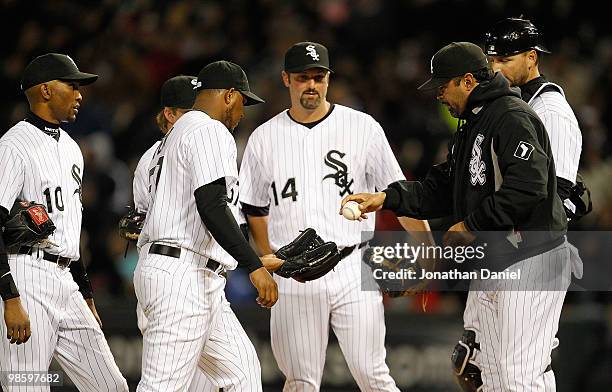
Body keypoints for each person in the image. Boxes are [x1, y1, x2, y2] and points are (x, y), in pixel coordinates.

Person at [342, 42, 581, 392]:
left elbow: (529, 187)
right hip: (500, 258)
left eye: (443, 86)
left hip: (533, 258)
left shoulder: (510, 116)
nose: (439, 95)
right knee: (492, 373)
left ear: (468, 81)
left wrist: (471, 224)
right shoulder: (474, 121)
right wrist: (386, 197)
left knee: (517, 375)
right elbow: (443, 186)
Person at [239, 41, 424, 391]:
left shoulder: (362, 127)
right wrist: (268, 265)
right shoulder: (264, 138)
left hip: (352, 265)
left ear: (328, 78)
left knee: (372, 374)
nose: (311, 85)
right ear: (285, 79)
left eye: (318, 77)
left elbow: (400, 195)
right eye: (302, 77)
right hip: (294, 274)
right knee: (301, 382)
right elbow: (254, 208)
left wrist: (427, 250)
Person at [133, 60, 280, 392]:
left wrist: (255, 257)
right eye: (243, 100)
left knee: (242, 374)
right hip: (181, 275)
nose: (244, 110)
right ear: (229, 95)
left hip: (192, 273)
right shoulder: (209, 129)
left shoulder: (171, 139)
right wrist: (253, 266)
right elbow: (211, 204)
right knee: (162, 387)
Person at [0, 53, 128, 391]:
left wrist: (85, 293)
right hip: (25, 274)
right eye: (71, 85)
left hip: (66, 277)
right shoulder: (13, 145)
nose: (79, 94)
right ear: (44, 90)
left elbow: (69, 231)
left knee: (112, 386)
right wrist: (10, 297)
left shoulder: (72, 148)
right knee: (26, 385)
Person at [131, 74, 222, 392]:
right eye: (191, 110)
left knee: (235, 375)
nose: (199, 118)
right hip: (178, 273)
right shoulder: (157, 156)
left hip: (191, 274)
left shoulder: (154, 157)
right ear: (170, 114)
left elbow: (139, 220)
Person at [484, 17, 583, 219]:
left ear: (531, 57)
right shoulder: (509, 102)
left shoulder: (550, 110)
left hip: (536, 243)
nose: (495, 69)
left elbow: (558, 192)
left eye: (504, 60)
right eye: (492, 60)